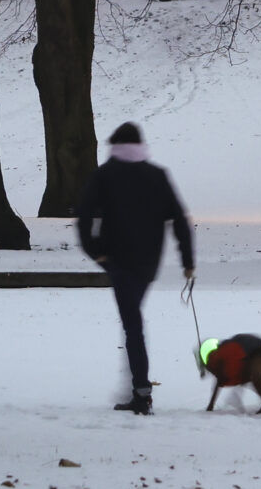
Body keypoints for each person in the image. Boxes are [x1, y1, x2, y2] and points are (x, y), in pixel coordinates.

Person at [75, 122, 194, 414]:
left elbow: (83, 216)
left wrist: (96, 253)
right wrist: (187, 261)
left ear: (115, 145)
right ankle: (135, 386)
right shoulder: (157, 175)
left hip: (117, 262)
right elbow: (180, 219)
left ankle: (141, 393)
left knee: (133, 326)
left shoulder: (104, 175)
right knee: (133, 322)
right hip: (148, 262)